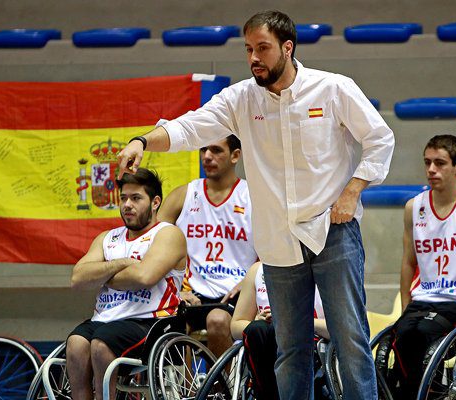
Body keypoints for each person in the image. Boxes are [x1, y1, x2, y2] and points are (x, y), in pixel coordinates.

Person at [115, 10, 394, 399]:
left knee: (350, 340)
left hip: (332, 232)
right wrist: (142, 141)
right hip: (278, 242)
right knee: (289, 349)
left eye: (263, 48)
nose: (254, 58)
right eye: (248, 49)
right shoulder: (241, 98)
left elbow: (380, 138)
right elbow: (189, 127)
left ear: (287, 47)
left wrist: (353, 191)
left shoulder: (333, 88)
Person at [388, 134, 456, 398]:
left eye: (439, 163)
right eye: (427, 162)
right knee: (398, 337)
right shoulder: (414, 207)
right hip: (422, 300)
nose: (431, 169)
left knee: (421, 336)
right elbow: (408, 261)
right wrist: (405, 307)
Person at [67, 168, 186, 400]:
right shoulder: (107, 238)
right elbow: (78, 279)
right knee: (75, 344)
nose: (127, 205)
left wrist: (101, 275)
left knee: (101, 344)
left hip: (151, 321)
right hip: (105, 318)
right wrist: (121, 264)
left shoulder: (168, 234)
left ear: (155, 202)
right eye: (123, 198)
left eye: (136, 198)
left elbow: (144, 277)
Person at [158, 135, 256, 358]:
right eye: (204, 150)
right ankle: (186, 382)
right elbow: (152, 246)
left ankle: (222, 381)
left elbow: (275, 248)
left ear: (235, 156)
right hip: (191, 293)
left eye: (216, 150)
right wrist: (175, 289)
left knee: (217, 320)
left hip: (238, 293)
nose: (207, 156)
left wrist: (249, 282)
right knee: (167, 324)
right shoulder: (183, 196)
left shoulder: (252, 197)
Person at [230, 261, 329, 400]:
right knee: (258, 329)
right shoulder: (257, 270)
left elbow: (336, 330)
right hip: (265, 342)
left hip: (309, 343)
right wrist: (257, 320)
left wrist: (298, 322)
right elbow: (235, 326)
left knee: (283, 332)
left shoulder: (324, 269)